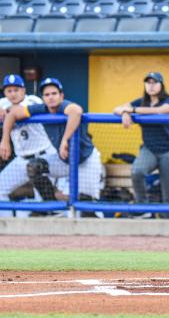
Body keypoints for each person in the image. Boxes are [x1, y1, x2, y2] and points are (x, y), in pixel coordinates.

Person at [0, 78, 102, 201]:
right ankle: (49, 207)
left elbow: (76, 111)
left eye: (54, 93)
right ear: (43, 98)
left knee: (86, 204)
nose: (51, 97)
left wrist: (65, 139)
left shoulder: (64, 106)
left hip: (86, 159)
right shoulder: (41, 108)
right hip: (64, 160)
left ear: (61, 95)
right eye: (47, 95)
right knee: (34, 166)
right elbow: (13, 115)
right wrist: (5, 140)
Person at [113, 72, 169, 204]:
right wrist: (125, 112)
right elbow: (117, 108)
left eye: (154, 83)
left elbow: (163, 110)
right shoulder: (141, 102)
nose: (151, 86)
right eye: (148, 83)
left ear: (161, 85)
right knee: (137, 172)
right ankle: (142, 207)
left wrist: (132, 110)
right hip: (149, 149)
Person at [0, 74, 56, 216]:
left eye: (16, 90)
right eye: (9, 91)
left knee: (45, 203)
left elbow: (18, 111)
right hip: (21, 160)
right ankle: (7, 227)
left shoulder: (33, 100)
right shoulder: (4, 102)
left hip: (43, 159)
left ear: (24, 90)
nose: (13, 94)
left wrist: (5, 111)